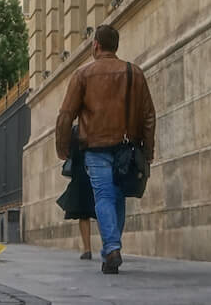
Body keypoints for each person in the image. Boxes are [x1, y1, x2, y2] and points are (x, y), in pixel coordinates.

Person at [56, 24, 156, 275]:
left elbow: (66, 115)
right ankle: (112, 247)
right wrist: (148, 151)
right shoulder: (134, 73)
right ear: (116, 46)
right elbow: (149, 116)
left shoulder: (82, 75)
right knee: (118, 196)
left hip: (96, 147)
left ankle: (112, 247)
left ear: (96, 46)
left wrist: (63, 146)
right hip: (127, 147)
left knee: (103, 195)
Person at [56, 124, 97, 260]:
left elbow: (68, 153)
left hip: (80, 175)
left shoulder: (74, 130)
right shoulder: (96, 127)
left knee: (83, 214)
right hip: (96, 172)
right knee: (102, 210)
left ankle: (87, 249)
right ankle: (109, 247)